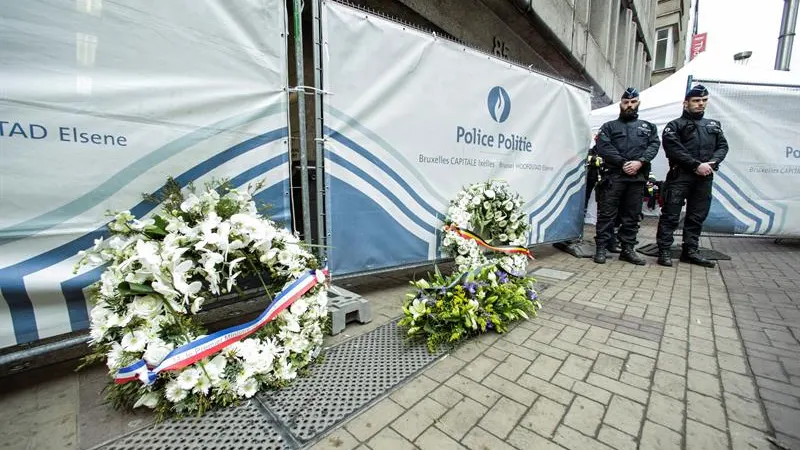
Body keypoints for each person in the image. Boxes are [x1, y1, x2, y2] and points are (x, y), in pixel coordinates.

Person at [656, 84, 729, 268]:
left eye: (704, 101)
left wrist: (711, 164)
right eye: (696, 101)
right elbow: (674, 149)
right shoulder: (675, 126)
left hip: (704, 177)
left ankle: (690, 251)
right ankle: (664, 250)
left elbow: (723, 147)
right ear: (685, 103)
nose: (700, 104)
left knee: (696, 216)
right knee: (671, 215)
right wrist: (696, 165)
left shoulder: (713, 125)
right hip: (680, 177)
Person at [593, 87, 660, 265]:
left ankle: (627, 249)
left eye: (633, 102)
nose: (629, 105)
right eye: (625, 102)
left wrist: (641, 162)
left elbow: (653, 146)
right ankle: (601, 247)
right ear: (620, 104)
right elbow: (604, 147)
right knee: (607, 214)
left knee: (632, 215)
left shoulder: (648, 127)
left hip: (637, 179)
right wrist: (623, 163)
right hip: (614, 177)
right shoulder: (609, 127)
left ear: (638, 103)